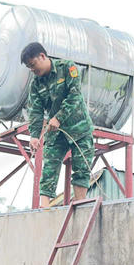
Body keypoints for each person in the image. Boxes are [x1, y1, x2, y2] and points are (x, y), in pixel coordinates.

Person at [21, 42, 95, 208]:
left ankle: (80, 205)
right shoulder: (36, 84)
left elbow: (75, 95)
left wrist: (59, 117)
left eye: (33, 65)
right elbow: (36, 111)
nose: (32, 69)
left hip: (79, 129)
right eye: (29, 67)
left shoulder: (67, 68)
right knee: (49, 168)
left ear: (42, 56)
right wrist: (33, 135)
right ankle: (44, 208)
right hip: (55, 132)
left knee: (81, 168)